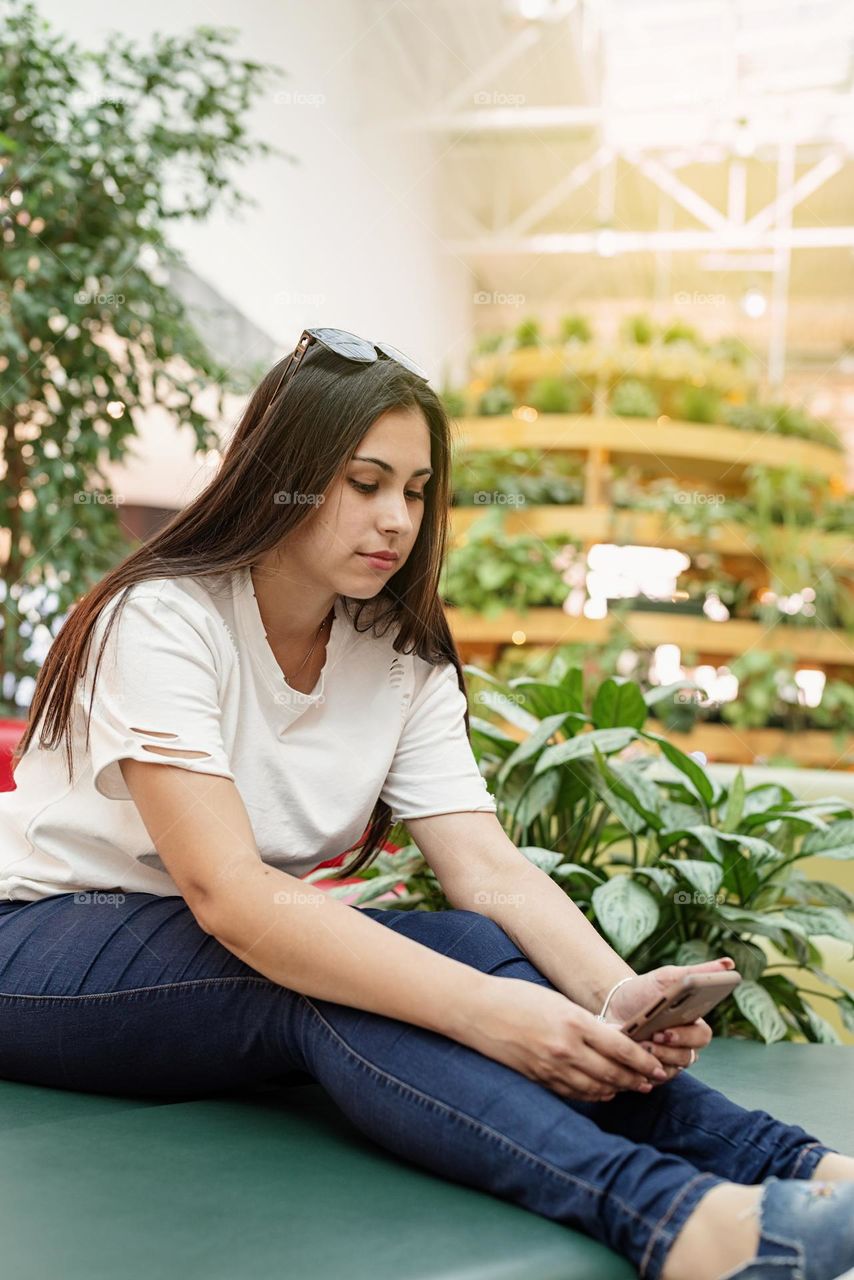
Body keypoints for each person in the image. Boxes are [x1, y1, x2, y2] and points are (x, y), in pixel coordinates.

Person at [1, 326, 853, 1280]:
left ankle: (799, 1169)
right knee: (323, 981)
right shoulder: (164, 616)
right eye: (364, 484)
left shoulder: (397, 650)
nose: (398, 519)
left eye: (414, 491)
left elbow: (484, 866)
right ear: (283, 474)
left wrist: (617, 997)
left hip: (207, 955)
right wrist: (488, 1014)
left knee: (473, 944)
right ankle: (679, 1224)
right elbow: (231, 895)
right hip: (43, 940)